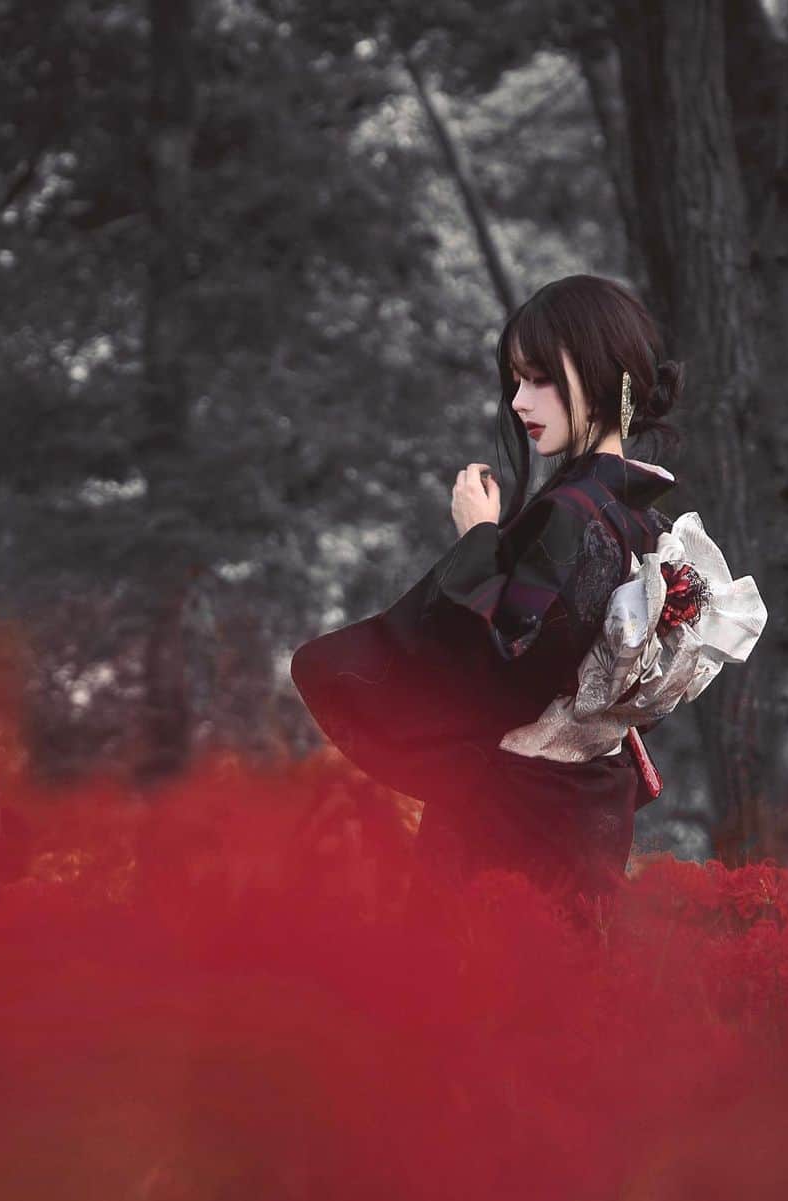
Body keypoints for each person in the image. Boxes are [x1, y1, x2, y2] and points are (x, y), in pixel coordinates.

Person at [291, 275, 686, 912]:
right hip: (587, 805)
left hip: (514, 817)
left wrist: (477, 537)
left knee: (475, 967)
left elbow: (500, 663)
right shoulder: (640, 514)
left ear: (601, 375)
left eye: (541, 379)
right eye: (516, 381)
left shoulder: (575, 512)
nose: (520, 402)